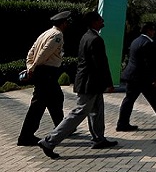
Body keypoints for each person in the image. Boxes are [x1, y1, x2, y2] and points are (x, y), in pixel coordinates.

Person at [37, 11, 117, 159]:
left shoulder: (86, 37)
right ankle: (49, 141)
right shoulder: (95, 39)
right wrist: (109, 83)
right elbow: (100, 65)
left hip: (89, 82)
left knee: (97, 110)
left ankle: (99, 139)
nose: (103, 20)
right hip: (90, 83)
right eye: (100, 19)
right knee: (79, 113)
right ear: (94, 22)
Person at [17, 11, 72, 146]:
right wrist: (32, 68)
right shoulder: (57, 35)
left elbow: (32, 51)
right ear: (63, 23)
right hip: (46, 72)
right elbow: (44, 53)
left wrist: (30, 65)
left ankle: (61, 128)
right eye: (67, 22)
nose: (68, 24)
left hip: (43, 72)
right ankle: (25, 136)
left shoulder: (45, 33)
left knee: (56, 98)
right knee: (38, 105)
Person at [116, 22, 156, 132]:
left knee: (152, 98)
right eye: (153, 30)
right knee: (132, 100)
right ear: (148, 30)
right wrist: (155, 78)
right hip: (141, 77)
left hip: (135, 76)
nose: (154, 32)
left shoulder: (136, 41)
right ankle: (122, 123)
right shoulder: (147, 43)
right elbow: (150, 63)